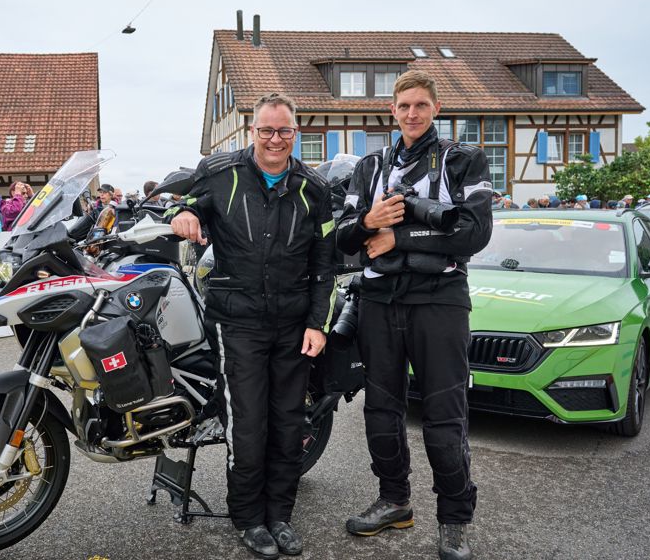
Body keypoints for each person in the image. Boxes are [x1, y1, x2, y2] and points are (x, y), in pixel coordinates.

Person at [168, 92, 335, 559]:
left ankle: (279, 516)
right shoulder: (220, 172)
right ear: (252, 131)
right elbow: (184, 206)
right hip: (237, 323)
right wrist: (184, 214)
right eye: (266, 130)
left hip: (294, 326)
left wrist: (318, 324)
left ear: (296, 132)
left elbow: (325, 266)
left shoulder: (315, 189)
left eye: (284, 131)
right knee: (247, 425)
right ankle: (248, 518)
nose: (275, 139)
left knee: (288, 424)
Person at [336, 70, 491, 560]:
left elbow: (474, 233)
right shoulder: (370, 166)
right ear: (392, 111)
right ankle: (394, 501)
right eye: (404, 106)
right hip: (379, 302)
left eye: (421, 105)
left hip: (439, 301)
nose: (412, 113)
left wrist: (396, 238)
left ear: (436, 108)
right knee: (381, 412)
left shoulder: (463, 159)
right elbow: (343, 237)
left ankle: (454, 520)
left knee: (444, 416)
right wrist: (368, 221)